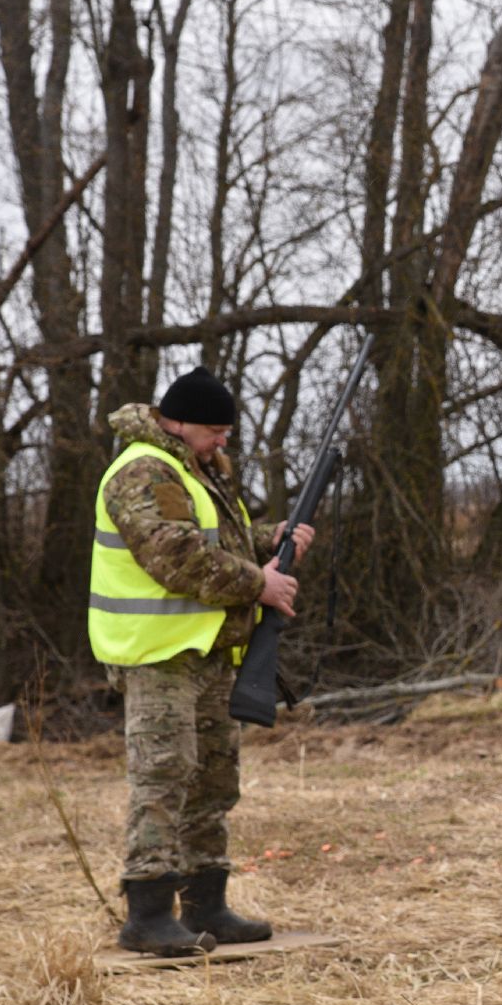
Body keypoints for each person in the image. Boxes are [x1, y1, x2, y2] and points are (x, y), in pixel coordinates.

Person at [89, 366, 315, 956]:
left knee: (214, 780)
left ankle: (206, 904)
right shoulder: (144, 470)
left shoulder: (195, 471)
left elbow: (218, 540)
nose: (223, 442)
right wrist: (258, 585)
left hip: (208, 653)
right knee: (164, 778)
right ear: (177, 423)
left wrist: (270, 539)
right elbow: (177, 556)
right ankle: (148, 914)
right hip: (158, 655)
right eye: (214, 430)